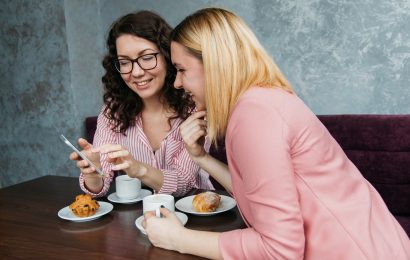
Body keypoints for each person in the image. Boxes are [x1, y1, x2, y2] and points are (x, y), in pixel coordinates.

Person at [143, 7, 410, 259]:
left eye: (181, 70)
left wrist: (178, 238)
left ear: (215, 65)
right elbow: (261, 197)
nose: (177, 83)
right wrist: (201, 157)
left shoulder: (254, 116)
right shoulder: (261, 100)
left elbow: (279, 250)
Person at [69, 10, 214, 198]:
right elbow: (98, 187)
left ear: (167, 56)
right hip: (139, 218)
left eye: (146, 58)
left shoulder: (195, 105)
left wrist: (139, 170)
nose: (136, 72)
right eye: (125, 62)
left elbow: (184, 183)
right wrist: (93, 173)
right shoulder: (113, 109)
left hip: (198, 213)